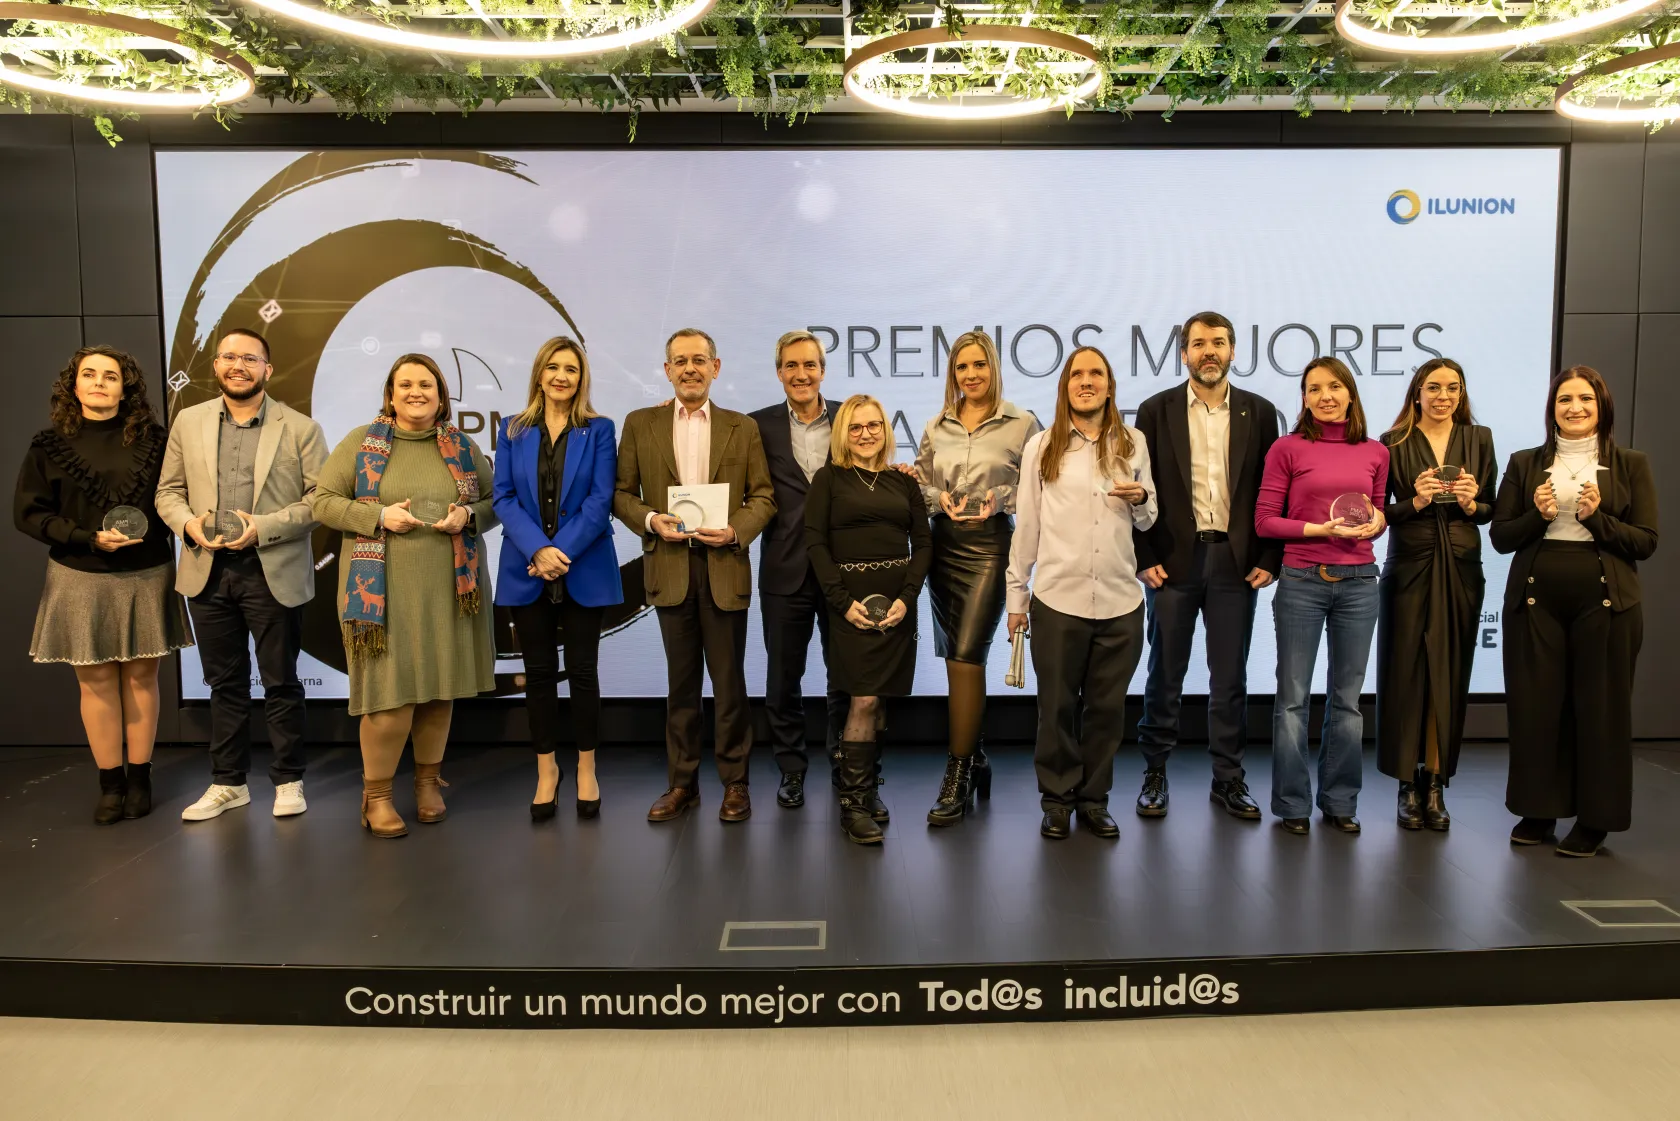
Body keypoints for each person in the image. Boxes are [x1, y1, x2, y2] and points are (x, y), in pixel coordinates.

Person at [310, 354, 497, 838]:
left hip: (450, 590)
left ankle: (428, 784)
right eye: (406, 384)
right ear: (390, 394)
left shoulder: (463, 446)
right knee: (389, 699)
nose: (417, 392)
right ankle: (376, 797)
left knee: (438, 691)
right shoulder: (360, 443)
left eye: (427, 384)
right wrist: (377, 518)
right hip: (382, 593)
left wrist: (469, 517)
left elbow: (496, 502)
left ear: (442, 395)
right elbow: (323, 501)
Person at [155, 328, 328, 822]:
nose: (238, 365)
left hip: (270, 568)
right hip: (207, 570)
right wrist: (189, 524)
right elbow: (167, 491)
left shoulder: (301, 428)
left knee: (280, 681)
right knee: (223, 683)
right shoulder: (188, 422)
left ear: (267, 370)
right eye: (229, 356)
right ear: (216, 366)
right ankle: (228, 783)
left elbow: (320, 501)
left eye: (249, 358)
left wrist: (265, 529)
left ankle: (289, 780)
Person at [15, 346, 192, 824]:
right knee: (94, 684)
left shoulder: (158, 441)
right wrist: (85, 537)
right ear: (73, 386)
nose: (98, 382)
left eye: (110, 376)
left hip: (146, 572)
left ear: (125, 387)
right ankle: (110, 784)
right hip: (79, 575)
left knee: (141, 677)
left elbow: (176, 498)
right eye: (88, 374)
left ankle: (140, 779)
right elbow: (28, 513)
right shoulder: (47, 445)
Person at [1491, 366, 1657, 858]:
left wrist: (1597, 519)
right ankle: (1538, 810)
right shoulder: (1524, 464)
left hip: (1608, 603)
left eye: (1585, 398)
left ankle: (1594, 820)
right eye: (1565, 399)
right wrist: (1536, 516)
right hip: (1536, 601)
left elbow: (1645, 542)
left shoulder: (1631, 464)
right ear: (1552, 408)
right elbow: (1501, 538)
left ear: (1601, 406)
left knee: (1600, 711)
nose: (1575, 408)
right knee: (1536, 709)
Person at [613, 328, 775, 824]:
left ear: (715, 368)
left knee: (729, 687)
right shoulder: (640, 423)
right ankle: (682, 784)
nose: (689, 368)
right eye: (679, 361)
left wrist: (735, 531)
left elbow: (764, 497)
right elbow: (622, 493)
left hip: (725, 567)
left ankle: (735, 784)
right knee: (680, 687)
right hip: (670, 567)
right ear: (666, 370)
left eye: (699, 360)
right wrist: (650, 520)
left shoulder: (741, 427)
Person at [1133, 311, 1282, 821]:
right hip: (1173, 562)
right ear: (1184, 354)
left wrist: (1270, 555)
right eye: (1199, 344)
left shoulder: (1260, 413)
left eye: (1218, 343)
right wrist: (1145, 554)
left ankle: (1229, 778)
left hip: (1236, 564)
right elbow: (1140, 489)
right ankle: (1154, 773)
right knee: (1164, 674)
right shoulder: (1155, 411)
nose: (1209, 352)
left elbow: (1272, 493)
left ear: (1234, 351)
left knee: (1230, 678)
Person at [1008, 347, 1156, 841]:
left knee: (1107, 711)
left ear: (1110, 385)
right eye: (1077, 374)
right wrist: (1016, 597)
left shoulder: (1132, 443)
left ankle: (1094, 800)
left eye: (1096, 373)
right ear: (1065, 386)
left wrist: (1141, 499)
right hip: (1057, 598)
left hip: (1121, 601)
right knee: (1056, 709)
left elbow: (1149, 518)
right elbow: (1026, 526)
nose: (1086, 381)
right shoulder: (1042, 447)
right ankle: (1056, 801)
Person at [913, 330, 1042, 826]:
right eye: (962, 367)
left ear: (993, 369)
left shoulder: (1024, 423)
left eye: (979, 366)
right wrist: (935, 499)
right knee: (954, 660)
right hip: (943, 548)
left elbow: (1041, 484)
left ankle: (958, 769)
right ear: (953, 374)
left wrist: (1002, 500)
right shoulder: (935, 425)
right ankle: (978, 756)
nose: (971, 375)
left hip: (991, 548)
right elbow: (922, 485)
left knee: (968, 655)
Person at [1256, 357, 1389, 836]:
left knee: (1348, 701)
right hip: (1301, 581)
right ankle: (1292, 804)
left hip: (1359, 583)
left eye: (1334, 387)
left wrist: (1380, 521)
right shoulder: (1286, 448)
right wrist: (1316, 529)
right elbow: (1266, 520)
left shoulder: (1376, 452)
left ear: (1350, 394)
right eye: (1314, 389)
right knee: (1292, 700)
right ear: (1305, 399)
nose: (1325, 396)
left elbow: (1374, 512)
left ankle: (1340, 801)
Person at [493, 336, 621, 822]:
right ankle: (547, 771)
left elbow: (599, 500)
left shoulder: (600, 429)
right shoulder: (512, 429)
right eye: (553, 367)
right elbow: (503, 497)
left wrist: (558, 552)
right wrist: (538, 550)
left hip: (582, 567)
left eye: (570, 368)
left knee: (584, 675)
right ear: (539, 375)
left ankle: (586, 768)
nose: (561, 376)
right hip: (527, 568)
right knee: (540, 675)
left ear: (581, 377)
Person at [804, 395, 932, 844]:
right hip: (849, 607)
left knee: (878, 701)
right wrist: (840, 602)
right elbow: (816, 544)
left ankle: (868, 786)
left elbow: (925, 545)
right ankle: (854, 803)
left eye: (873, 425)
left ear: (885, 428)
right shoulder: (829, 478)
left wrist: (907, 597)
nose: (865, 434)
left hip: (898, 606)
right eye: (855, 427)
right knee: (860, 699)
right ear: (843, 433)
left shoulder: (904, 483)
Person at [1377, 359, 1497, 831]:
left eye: (1453, 388)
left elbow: (1492, 510)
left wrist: (1471, 503)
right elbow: (1378, 512)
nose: (1443, 396)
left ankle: (1436, 782)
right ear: (1416, 393)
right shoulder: (1392, 443)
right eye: (1434, 387)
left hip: (1462, 565)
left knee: (1448, 673)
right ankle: (1407, 782)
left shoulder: (1479, 438)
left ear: (1461, 394)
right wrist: (1417, 501)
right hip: (1409, 562)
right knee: (1405, 670)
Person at [748, 332, 850, 813]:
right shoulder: (756, 426)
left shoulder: (852, 418)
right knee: (783, 678)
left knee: (844, 674)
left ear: (823, 371)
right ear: (779, 372)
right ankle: (791, 769)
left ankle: (844, 759)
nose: (802, 374)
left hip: (845, 570)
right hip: (783, 569)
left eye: (810, 365)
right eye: (791, 365)